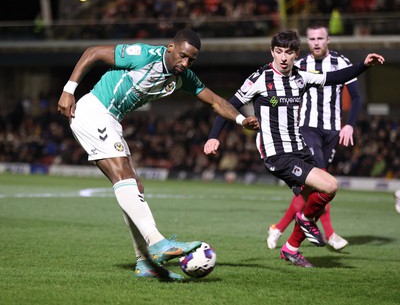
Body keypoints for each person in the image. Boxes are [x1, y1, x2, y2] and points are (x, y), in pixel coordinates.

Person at [57, 29, 259, 281]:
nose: (185, 64)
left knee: (133, 186)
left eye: (191, 60)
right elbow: (93, 52)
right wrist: (69, 89)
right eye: (183, 56)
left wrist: (241, 119)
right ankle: (157, 243)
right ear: (170, 47)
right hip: (93, 111)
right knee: (123, 174)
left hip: (112, 121)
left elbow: (216, 102)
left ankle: (144, 263)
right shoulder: (144, 55)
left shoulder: (183, 77)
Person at [204, 30, 384, 267]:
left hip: (300, 149)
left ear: (296, 54)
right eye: (278, 52)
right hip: (276, 153)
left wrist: (364, 65)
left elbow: (335, 78)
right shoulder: (260, 78)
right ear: (272, 52)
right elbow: (228, 105)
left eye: (288, 52)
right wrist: (214, 136)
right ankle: (305, 221)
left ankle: (291, 248)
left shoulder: (301, 76)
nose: (283, 58)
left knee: (314, 199)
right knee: (330, 186)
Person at [267, 24, 363, 251]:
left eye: (321, 38)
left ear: (328, 40)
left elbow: (357, 97)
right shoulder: (299, 64)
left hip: (332, 130)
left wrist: (349, 125)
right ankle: (329, 234)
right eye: (312, 39)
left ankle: (279, 228)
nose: (317, 42)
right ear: (307, 43)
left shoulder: (342, 63)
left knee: (312, 189)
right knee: (322, 184)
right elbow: (278, 97)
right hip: (307, 128)